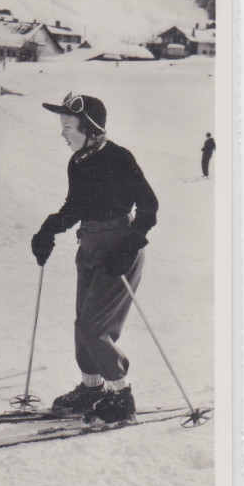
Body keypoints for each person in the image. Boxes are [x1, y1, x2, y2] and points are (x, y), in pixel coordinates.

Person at [31, 92, 158, 423]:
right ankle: (92, 388)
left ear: (90, 128)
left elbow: (149, 205)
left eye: (69, 127)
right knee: (82, 323)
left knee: (94, 326)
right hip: (89, 244)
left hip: (119, 246)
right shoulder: (77, 162)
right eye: (63, 127)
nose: (63, 134)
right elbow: (75, 206)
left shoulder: (119, 158)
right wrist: (48, 230)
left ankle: (121, 396)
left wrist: (130, 245)